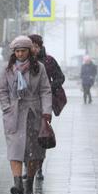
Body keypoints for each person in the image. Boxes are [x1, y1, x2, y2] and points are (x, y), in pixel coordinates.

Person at [0, 35, 52, 194]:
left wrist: (46, 112)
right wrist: (6, 108)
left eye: (23, 51)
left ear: (29, 51)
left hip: (34, 113)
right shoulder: (8, 69)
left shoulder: (39, 68)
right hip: (13, 114)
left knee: (33, 152)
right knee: (15, 149)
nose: (20, 54)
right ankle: (17, 183)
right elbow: (2, 90)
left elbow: (45, 90)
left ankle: (29, 184)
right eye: (17, 51)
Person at [28, 34, 65, 180]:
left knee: (42, 136)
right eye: (31, 46)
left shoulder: (49, 61)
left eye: (36, 46)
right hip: (27, 105)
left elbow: (60, 77)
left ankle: (39, 168)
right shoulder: (23, 61)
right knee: (27, 139)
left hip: (44, 104)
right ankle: (28, 167)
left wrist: (49, 87)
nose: (33, 49)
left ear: (40, 46)